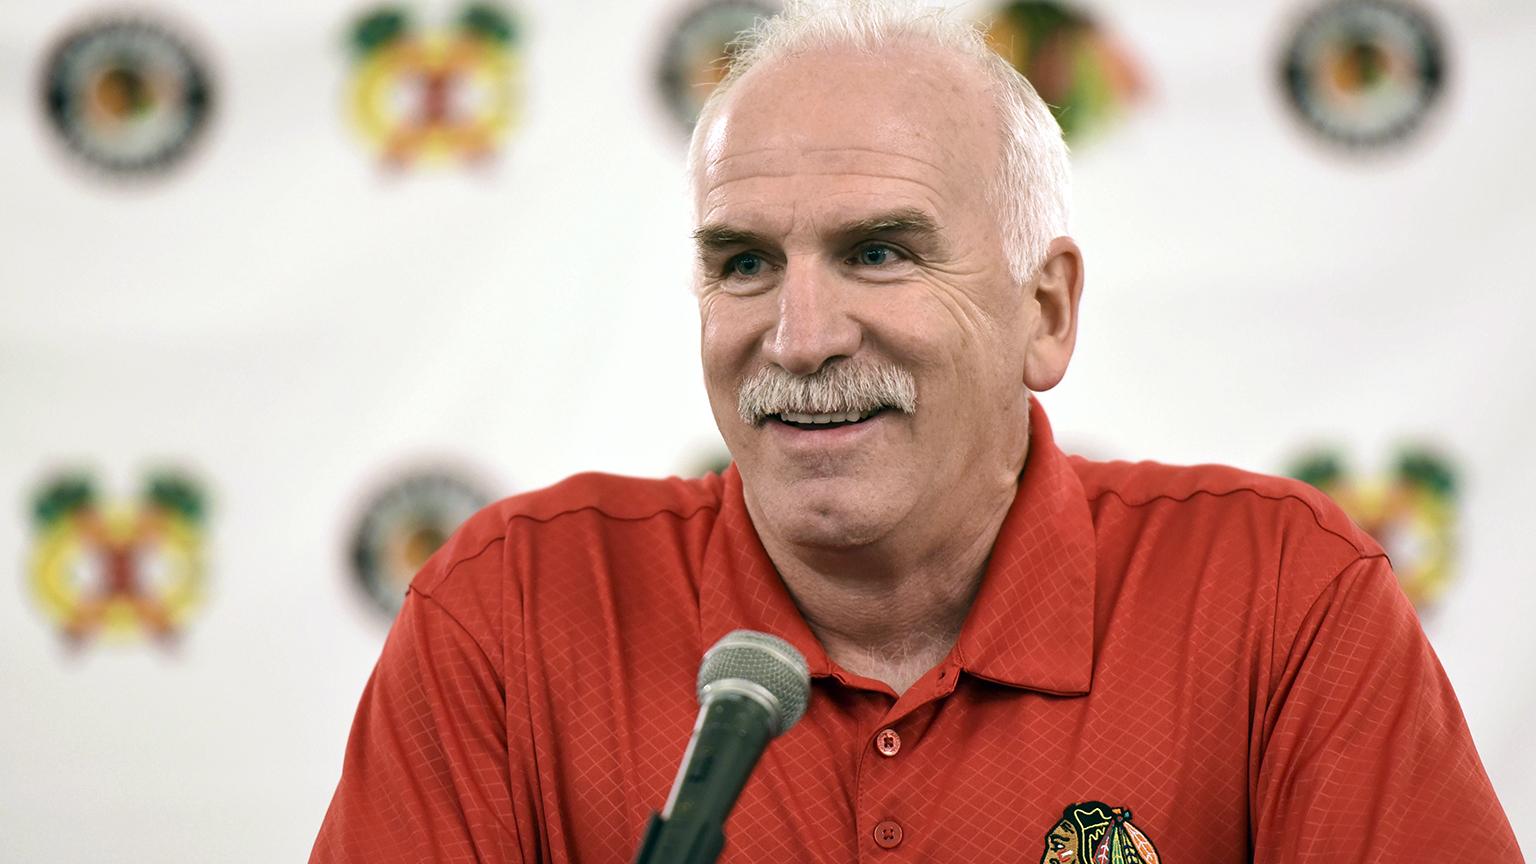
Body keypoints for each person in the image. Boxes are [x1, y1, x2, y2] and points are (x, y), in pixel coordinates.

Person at [310, 1, 1523, 861]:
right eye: (742, 263)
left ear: (1044, 316)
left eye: (879, 252)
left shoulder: (1275, 597)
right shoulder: (513, 611)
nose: (798, 337)